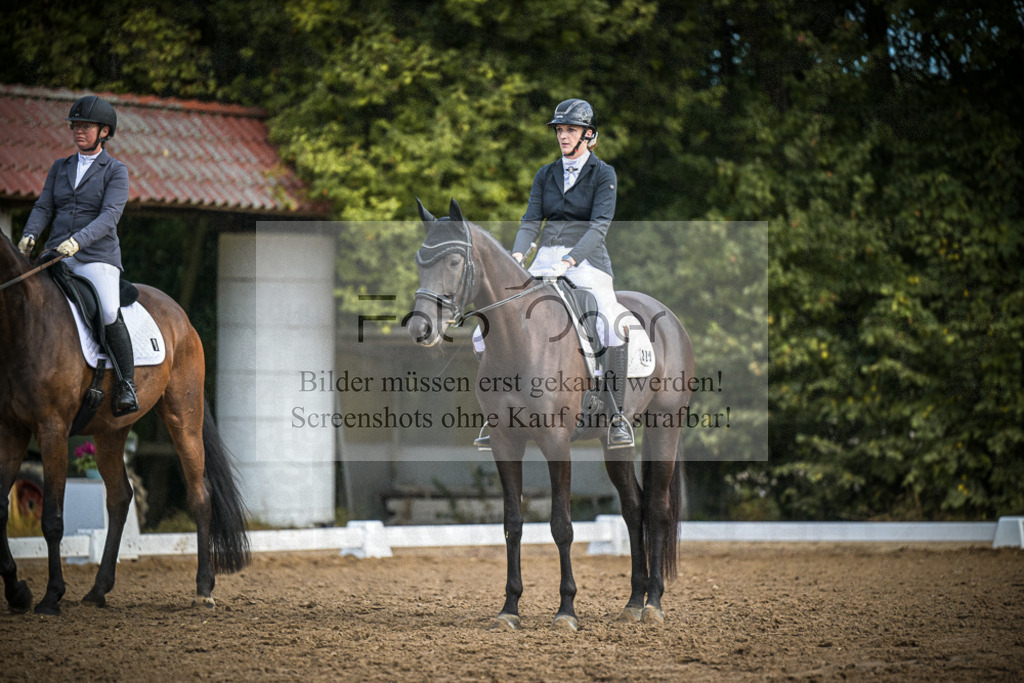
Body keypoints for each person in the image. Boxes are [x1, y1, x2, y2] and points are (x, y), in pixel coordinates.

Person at [478, 98, 634, 448]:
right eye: (560, 130)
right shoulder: (546, 174)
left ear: (588, 135)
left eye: (571, 130)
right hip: (544, 257)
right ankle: (496, 416)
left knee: (610, 322)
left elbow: (598, 228)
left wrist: (571, 262)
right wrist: (517, 253)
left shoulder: (603, 174)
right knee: (484, 328)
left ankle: (616, 414)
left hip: (588, 261)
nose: (563, 136)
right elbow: (531, 219)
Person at [18, 94, 138, 415]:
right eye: (75, 126)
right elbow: (44, 206)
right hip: (57, 253)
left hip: (96, 257)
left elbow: (109, 216)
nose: (79, 131)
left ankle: (127, 384)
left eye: (86, 126)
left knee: (110, 310)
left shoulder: (115, 170)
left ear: (104, 132)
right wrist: (30, 235)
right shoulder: (61, 167)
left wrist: (77, 242)